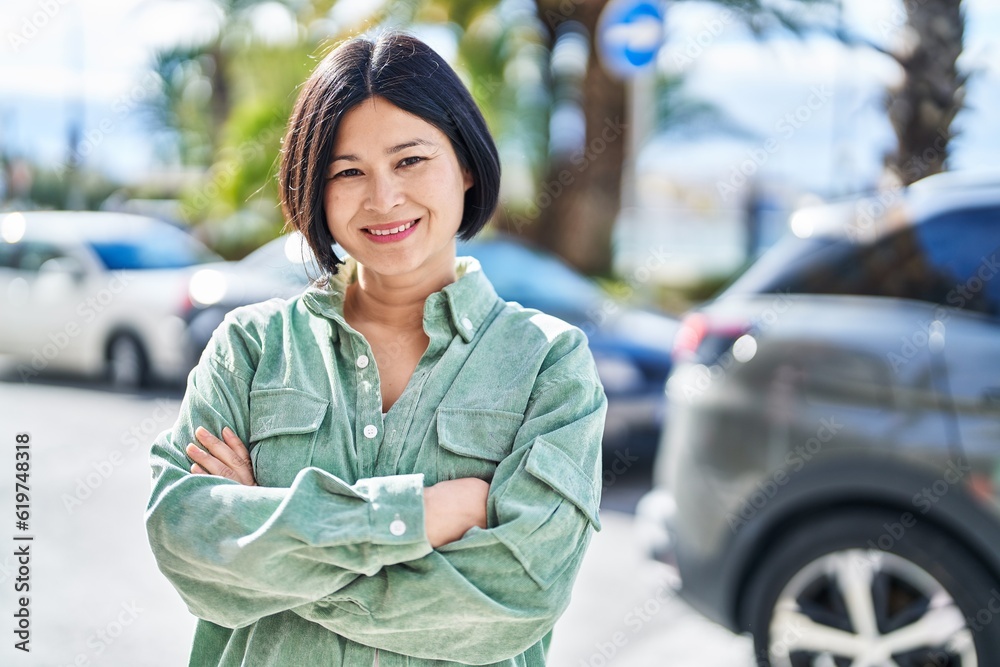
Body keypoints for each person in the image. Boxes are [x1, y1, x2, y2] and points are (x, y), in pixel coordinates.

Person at [144, 30, 607, 667]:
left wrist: (269, 563)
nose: (383, 197)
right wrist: (414, 516)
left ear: (466, 165)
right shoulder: (249, 350)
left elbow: (517, 596)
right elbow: (185, 541)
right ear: (316, 188)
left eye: (410, 160)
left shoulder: (548, 365)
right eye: (348, 171)